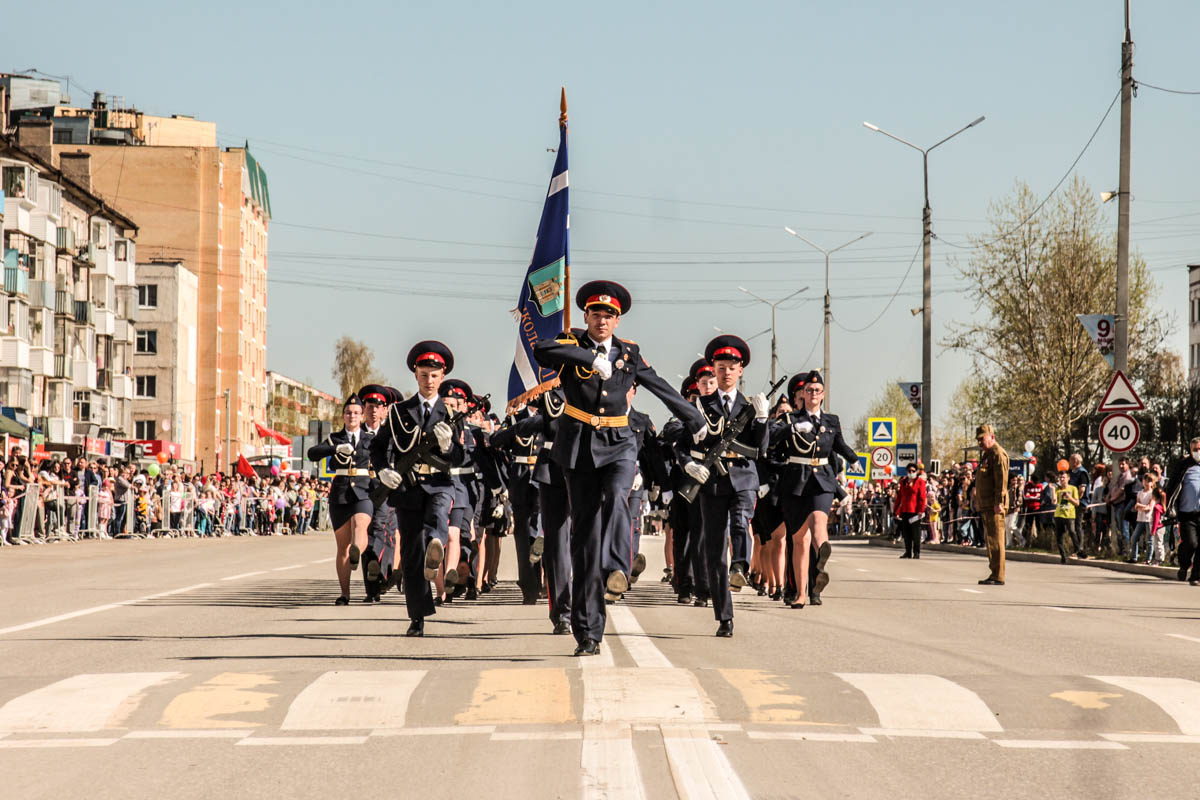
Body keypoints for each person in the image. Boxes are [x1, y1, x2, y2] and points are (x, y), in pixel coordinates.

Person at [533, 280, 704, 656]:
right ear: (586, 317)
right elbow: (540, 350)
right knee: (583, 544)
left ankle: (617, 567)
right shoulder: (571, 346)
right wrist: (586, 358)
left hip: (620, 446)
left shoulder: (629, 353)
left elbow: (660, 387)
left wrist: (694, 418)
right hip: (578, 449)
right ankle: (589, 633)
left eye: (609, 315)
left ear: (618, 319)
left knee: (617, 497)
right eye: (596, 313)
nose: (602, 320)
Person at [370, 340, 465, 636]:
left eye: (434, 375)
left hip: (438, 483)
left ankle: (435, 547)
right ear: (415, 374)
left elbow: (461, 456)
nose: (429, 380)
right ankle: (417, 617)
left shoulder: (450, 414)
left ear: (442, 376)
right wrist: (383, 471)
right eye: (424, 374)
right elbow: (377, 446)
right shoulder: (399, 412)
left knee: (438, 517)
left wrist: (449, 444)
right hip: (408, 487)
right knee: (411, 554)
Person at [681, 335, 770, 637]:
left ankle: (740, 567)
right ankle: (724, 615)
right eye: (721, 367)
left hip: (744, 477)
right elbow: (680, 442)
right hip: (712, 481)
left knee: (741, 521)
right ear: (714, 370)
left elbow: (761, 447)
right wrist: (688, 465)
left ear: (741, 370)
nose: (727, 372)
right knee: (715, 550)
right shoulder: (700, 405)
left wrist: (762, 419)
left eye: (732, 367)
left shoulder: (750, 405)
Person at [769, 370, 857, 608]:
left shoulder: (832, 421)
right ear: (803, 394)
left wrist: (854, 459)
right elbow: (772, 438)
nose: (813, 394)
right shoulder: (791, 419)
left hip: (823, 480)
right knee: (798, 540)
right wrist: (794, 429)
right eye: (808, 390)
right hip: (796, 481)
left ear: (823, 394)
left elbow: (839, 445)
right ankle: (800, 593)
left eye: (817, 390)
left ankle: (822, 555)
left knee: (819, 520)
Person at [307, 394, 375, 605]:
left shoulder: (370, 439)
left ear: (362, 416)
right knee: (342, 546)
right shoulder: (335, 438)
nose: (352, 416)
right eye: (348, 412)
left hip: (364, 490)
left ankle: (358, 552)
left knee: (360, 524)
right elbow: (312, 453)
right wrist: (335, 449)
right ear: (343, 416)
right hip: (341, 492)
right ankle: (345, 593)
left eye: (356, 413)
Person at [974, 425, 1010, 585]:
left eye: (983, 439)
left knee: (996, 540)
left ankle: (998, 575)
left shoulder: (997, 454)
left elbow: (1001, 481)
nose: (980, 442)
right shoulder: (987, 455)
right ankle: (994, 572)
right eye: (978, 440)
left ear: (992, 437)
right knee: (991, 540)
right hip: (987, 503)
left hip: (995, 505)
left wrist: (999, 502)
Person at [1164, 437, 1200, 585]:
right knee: (1191, 543)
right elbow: (1172, 488)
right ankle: (1184, 564)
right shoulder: (1184, 466)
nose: (1198, 452)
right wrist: (1170, 509)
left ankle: (1196, 576)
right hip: (1187, 514)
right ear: (1190, 450)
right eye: (1195, 449)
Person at [895, 462, 928, 559]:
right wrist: (896, 510)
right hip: (905, 510)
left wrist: (921, 510)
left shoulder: (920, 482)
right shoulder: (903, 481)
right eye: (909, 471)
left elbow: (922, 497)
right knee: (906, 533)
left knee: (916, 533)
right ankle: (908, 552)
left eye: (913, 471)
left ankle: (916, 552)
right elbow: (899, 497)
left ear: (916, 472)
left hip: (915, 511)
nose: (911, 472)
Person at [1051, 470, 1081, 563]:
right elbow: (1054, 502)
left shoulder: (1073, 488)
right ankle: (1063, 556)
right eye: (1060, 478)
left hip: (1069, 515)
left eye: (1063, 477)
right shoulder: (1057, 489)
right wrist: (1052, 490)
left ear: (1068, 478)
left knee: (1072, 532)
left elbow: (1077, 503)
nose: (1062, 479)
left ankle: (1077, 550)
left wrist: (1069, 497)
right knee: (1059, 536)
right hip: (1059, 514)